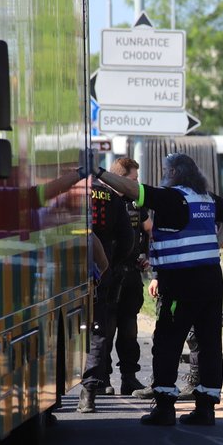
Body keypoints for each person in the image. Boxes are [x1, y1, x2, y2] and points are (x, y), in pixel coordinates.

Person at [94, 154, 223, 426]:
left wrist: (99, 172)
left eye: (165, 170)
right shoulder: (206, 199)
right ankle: (206, 409)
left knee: (167, 342)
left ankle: (164, 408)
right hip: (210, 284)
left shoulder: (172, 198)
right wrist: (215, 244)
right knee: (210, 345)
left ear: (174, 172)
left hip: (181, 285)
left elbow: (130, 189)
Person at [78, 173, 134, 413]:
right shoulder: (111, 195)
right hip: (100, 271)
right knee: (98, 330)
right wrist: (112, 264)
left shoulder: (67, 192)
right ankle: (88, 392)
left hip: (60, 272)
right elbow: (127, 238)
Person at [103, 157, 150, 396]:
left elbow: (148, 229)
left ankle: (129, 378)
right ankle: (102, 380)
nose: (137, 183)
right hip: (107, 274)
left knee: (129, 328)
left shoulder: (135, 203)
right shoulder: (101, 199)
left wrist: (146, 255)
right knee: (105, 328)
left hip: (131, 274)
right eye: (133, 179)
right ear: (120, 178)